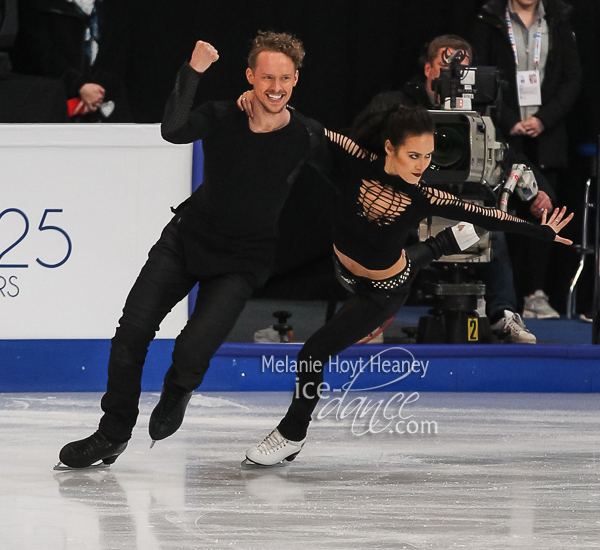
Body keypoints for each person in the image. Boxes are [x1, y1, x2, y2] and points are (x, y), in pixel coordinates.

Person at [57, 31, 335, 469]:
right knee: (131, 334)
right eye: (266, 77)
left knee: (190, 354)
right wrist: (194, 71)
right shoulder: (223, 114)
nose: (275, 87)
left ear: (296, 79)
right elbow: (173, 129)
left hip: (243, 262)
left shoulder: (308, 134)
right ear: (250, 76)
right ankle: (111, 434)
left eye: (284, 78)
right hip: (186, 241)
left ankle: (178, 388)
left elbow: (353, 166)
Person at [242, 104, 573, 466]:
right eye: (413, 155)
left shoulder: (424, 195)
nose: (421, 166)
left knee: (312, 354)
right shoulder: (354, 160)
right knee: (431, 248)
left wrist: (541, 232)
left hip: (383, 289)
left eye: (428, 157)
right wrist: (273, 103)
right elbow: (312, 128)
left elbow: (489, 215)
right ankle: (446, 242)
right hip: (343, 268)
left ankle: (292, 434)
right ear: (389, 148)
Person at [354, 34, 553, 343]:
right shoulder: (397, 105)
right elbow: (362, 144)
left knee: (493, 226)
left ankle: (503, 315)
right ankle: (371, 317)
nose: (454, 74)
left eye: (463, 67)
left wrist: (539, 191)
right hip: (408, 201)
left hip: (463, 203)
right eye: (446, 65)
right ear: (428, 68)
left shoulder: (479, 115)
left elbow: (509, 156)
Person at [471, 0, 582, 318]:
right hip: (501, 130)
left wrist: (544, 119)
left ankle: (534, 293)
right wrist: (507, 121)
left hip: (545, 134)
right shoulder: (489, 18)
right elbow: (478, 75)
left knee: (542, 204)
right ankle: (489, 294)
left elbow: (572, 79)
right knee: (494, 209)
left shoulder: (559, 19)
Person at [13, 0, 131, 121]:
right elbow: (38, 53)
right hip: (56, 106)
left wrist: (98, 91)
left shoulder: (115, 6)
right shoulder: (37, 5)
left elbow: (119, 52)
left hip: (108, 106)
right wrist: (79, 85)